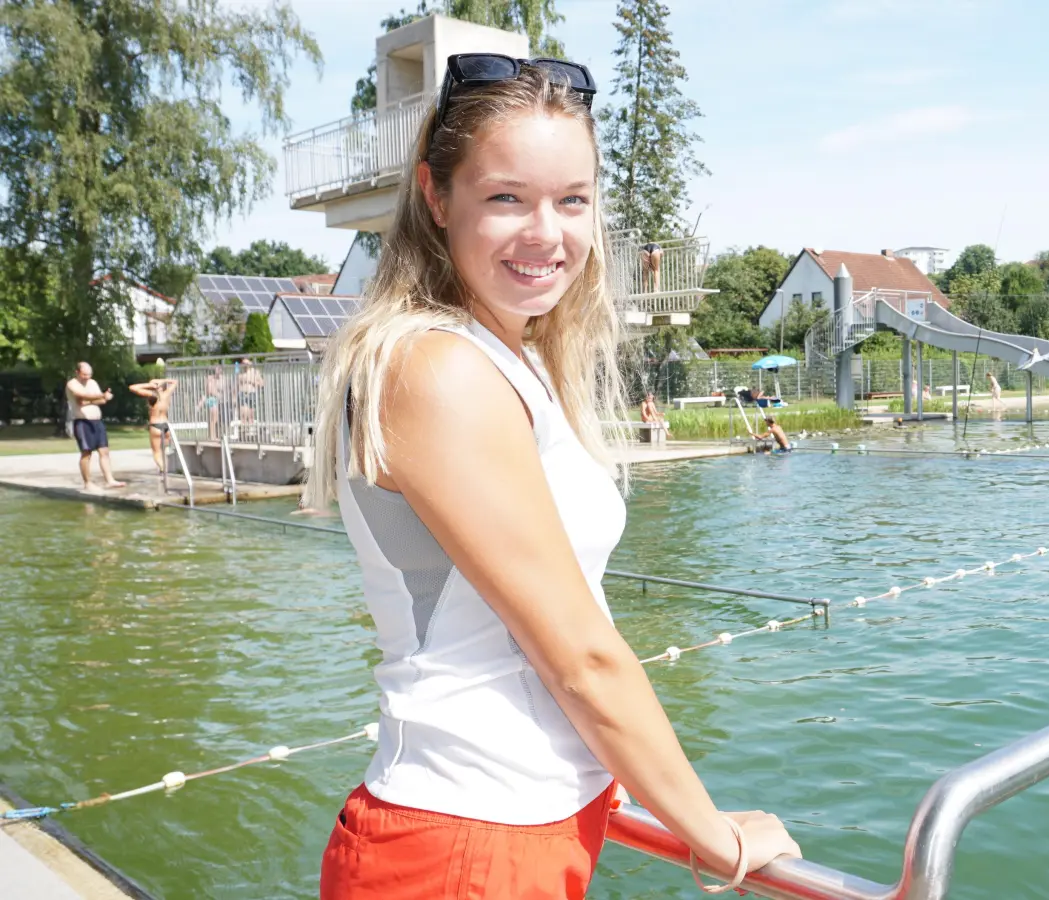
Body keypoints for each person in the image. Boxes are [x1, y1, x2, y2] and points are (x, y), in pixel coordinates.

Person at [303, 57, 799, 899]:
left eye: (573, 199)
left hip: (517, 836)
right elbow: (581, 659)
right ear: (436, 196)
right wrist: (710, 835)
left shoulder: (507, 357)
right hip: (463, 851)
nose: (549, 232)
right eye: (507, 198)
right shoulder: (437, 367)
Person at [65, 362, 126, 490]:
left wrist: (92, 400)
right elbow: (81, 398)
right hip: (82, 422)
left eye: (89, 374)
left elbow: (101, 401)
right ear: (77, 372)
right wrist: (100, 396)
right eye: (84, 374)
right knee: (86, 453)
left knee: (104, 451)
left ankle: (110, 480)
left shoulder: (92, 383)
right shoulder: (72, 384)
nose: (87, 377)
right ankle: (88, 483)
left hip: (97, 421)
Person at [128, 376, 178, 473]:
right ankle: (163, 469)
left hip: (155, 425)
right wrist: (164, 381)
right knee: (163, 450)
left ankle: (163, 469)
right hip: (166, 425)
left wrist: (148, 385)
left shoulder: (152, 395)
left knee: (156, 452)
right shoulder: (166, 394)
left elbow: (132, 387)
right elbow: (175, 382)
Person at [237, 358, 265, 439]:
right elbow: (235, 383)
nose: (245, 365)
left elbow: (262, 383)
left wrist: (253, 382)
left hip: (251, 393)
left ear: (250, 363)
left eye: (247, 363)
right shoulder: (239, 372)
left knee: (251, 414)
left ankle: (250, 432)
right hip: (242, 393)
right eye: (243, 363)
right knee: (243, 414)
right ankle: (243, 433)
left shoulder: (255, 372)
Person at [199, 365, 224, 440]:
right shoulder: (210, 378)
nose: (219, 372)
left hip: (215, 399)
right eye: (218, 370)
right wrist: (217, 394)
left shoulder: (219, 378)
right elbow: (209, 390)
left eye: (220, 370)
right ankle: (212, 436)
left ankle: (213, 435)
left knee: (214, 418)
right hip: (211, 399)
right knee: (213, 418)